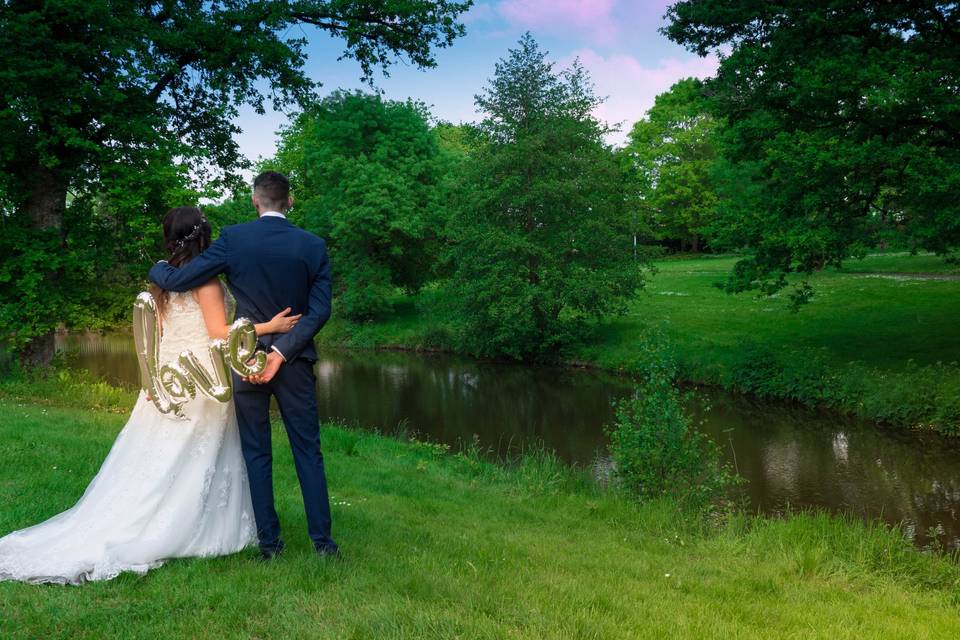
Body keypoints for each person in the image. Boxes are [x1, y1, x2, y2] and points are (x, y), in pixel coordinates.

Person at [0, 207, 300, 584]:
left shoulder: (165, 282)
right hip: (199, 375)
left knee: (156, 449)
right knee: (195, 450)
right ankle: (189, 525)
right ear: (204, 237)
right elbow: (219, 331)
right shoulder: (206, 283)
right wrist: (270, 325)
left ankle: (139, 512)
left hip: (168, 374)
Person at [149, 172, 338, 559]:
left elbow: (183, 278)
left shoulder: (234, 239)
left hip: (244, 356)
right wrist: (281, 353)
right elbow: (320, 312)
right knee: (307, 450)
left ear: (256, 201)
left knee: (256, 450)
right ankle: (323, 545)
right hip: (295, 360)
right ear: (290, 201)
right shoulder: (313, 245)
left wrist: (157, 269)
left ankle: (270, 545)